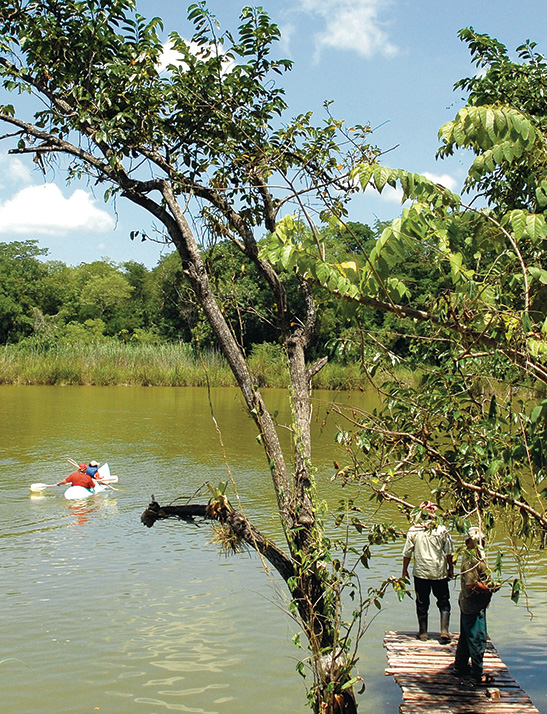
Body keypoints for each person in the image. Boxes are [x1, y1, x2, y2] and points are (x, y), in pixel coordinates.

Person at [402, 501, 454, 643]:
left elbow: (407, 553)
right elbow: (449, 552)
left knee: (422, 602)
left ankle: (423, 633)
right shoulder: (442, 530)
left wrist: (404, 571)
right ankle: (444, 630)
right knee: (443, 601)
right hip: (439, 572)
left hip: (421, 573)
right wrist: (451, 569)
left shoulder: (414, 530)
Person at [453, 527, 496, 684]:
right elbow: (471, 585)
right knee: (478, 638)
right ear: (468, 542)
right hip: (472, 605)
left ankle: (460, 666)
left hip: (470, 603)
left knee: (466, 636)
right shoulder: (471, 558)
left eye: (482, 540)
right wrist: (489, 588)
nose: (481, 542)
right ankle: (477, 675)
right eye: (477, 540)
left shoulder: (477, 555)